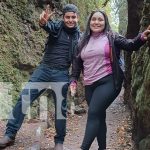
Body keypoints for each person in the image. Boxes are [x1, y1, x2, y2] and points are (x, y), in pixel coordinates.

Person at [0, 4, 80, 150]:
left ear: (77, 18)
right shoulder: (57, 26)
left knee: (60, 109)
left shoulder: (79, 37)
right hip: (44, 69)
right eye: (67, 17)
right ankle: (10, 134)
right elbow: (47, 25)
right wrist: (43, 22)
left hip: (62, 73)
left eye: (73, 17)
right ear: (63, 18)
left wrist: (74, 77)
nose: (70, 20)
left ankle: (59, 142)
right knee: (24, 97)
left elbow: (78, 59)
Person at [70, 10, 150, 150]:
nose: (96, 22)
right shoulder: (82, 41)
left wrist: (141, 38)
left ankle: (83, 148)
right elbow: (77, 63)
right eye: (94, 19)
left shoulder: (112, 36)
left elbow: (130, 45)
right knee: (99, 116)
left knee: (93, 112)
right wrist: (73, 80)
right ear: (89, 22)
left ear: (105, 22)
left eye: (100, 20)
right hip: (90, 84)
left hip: (109, 81)